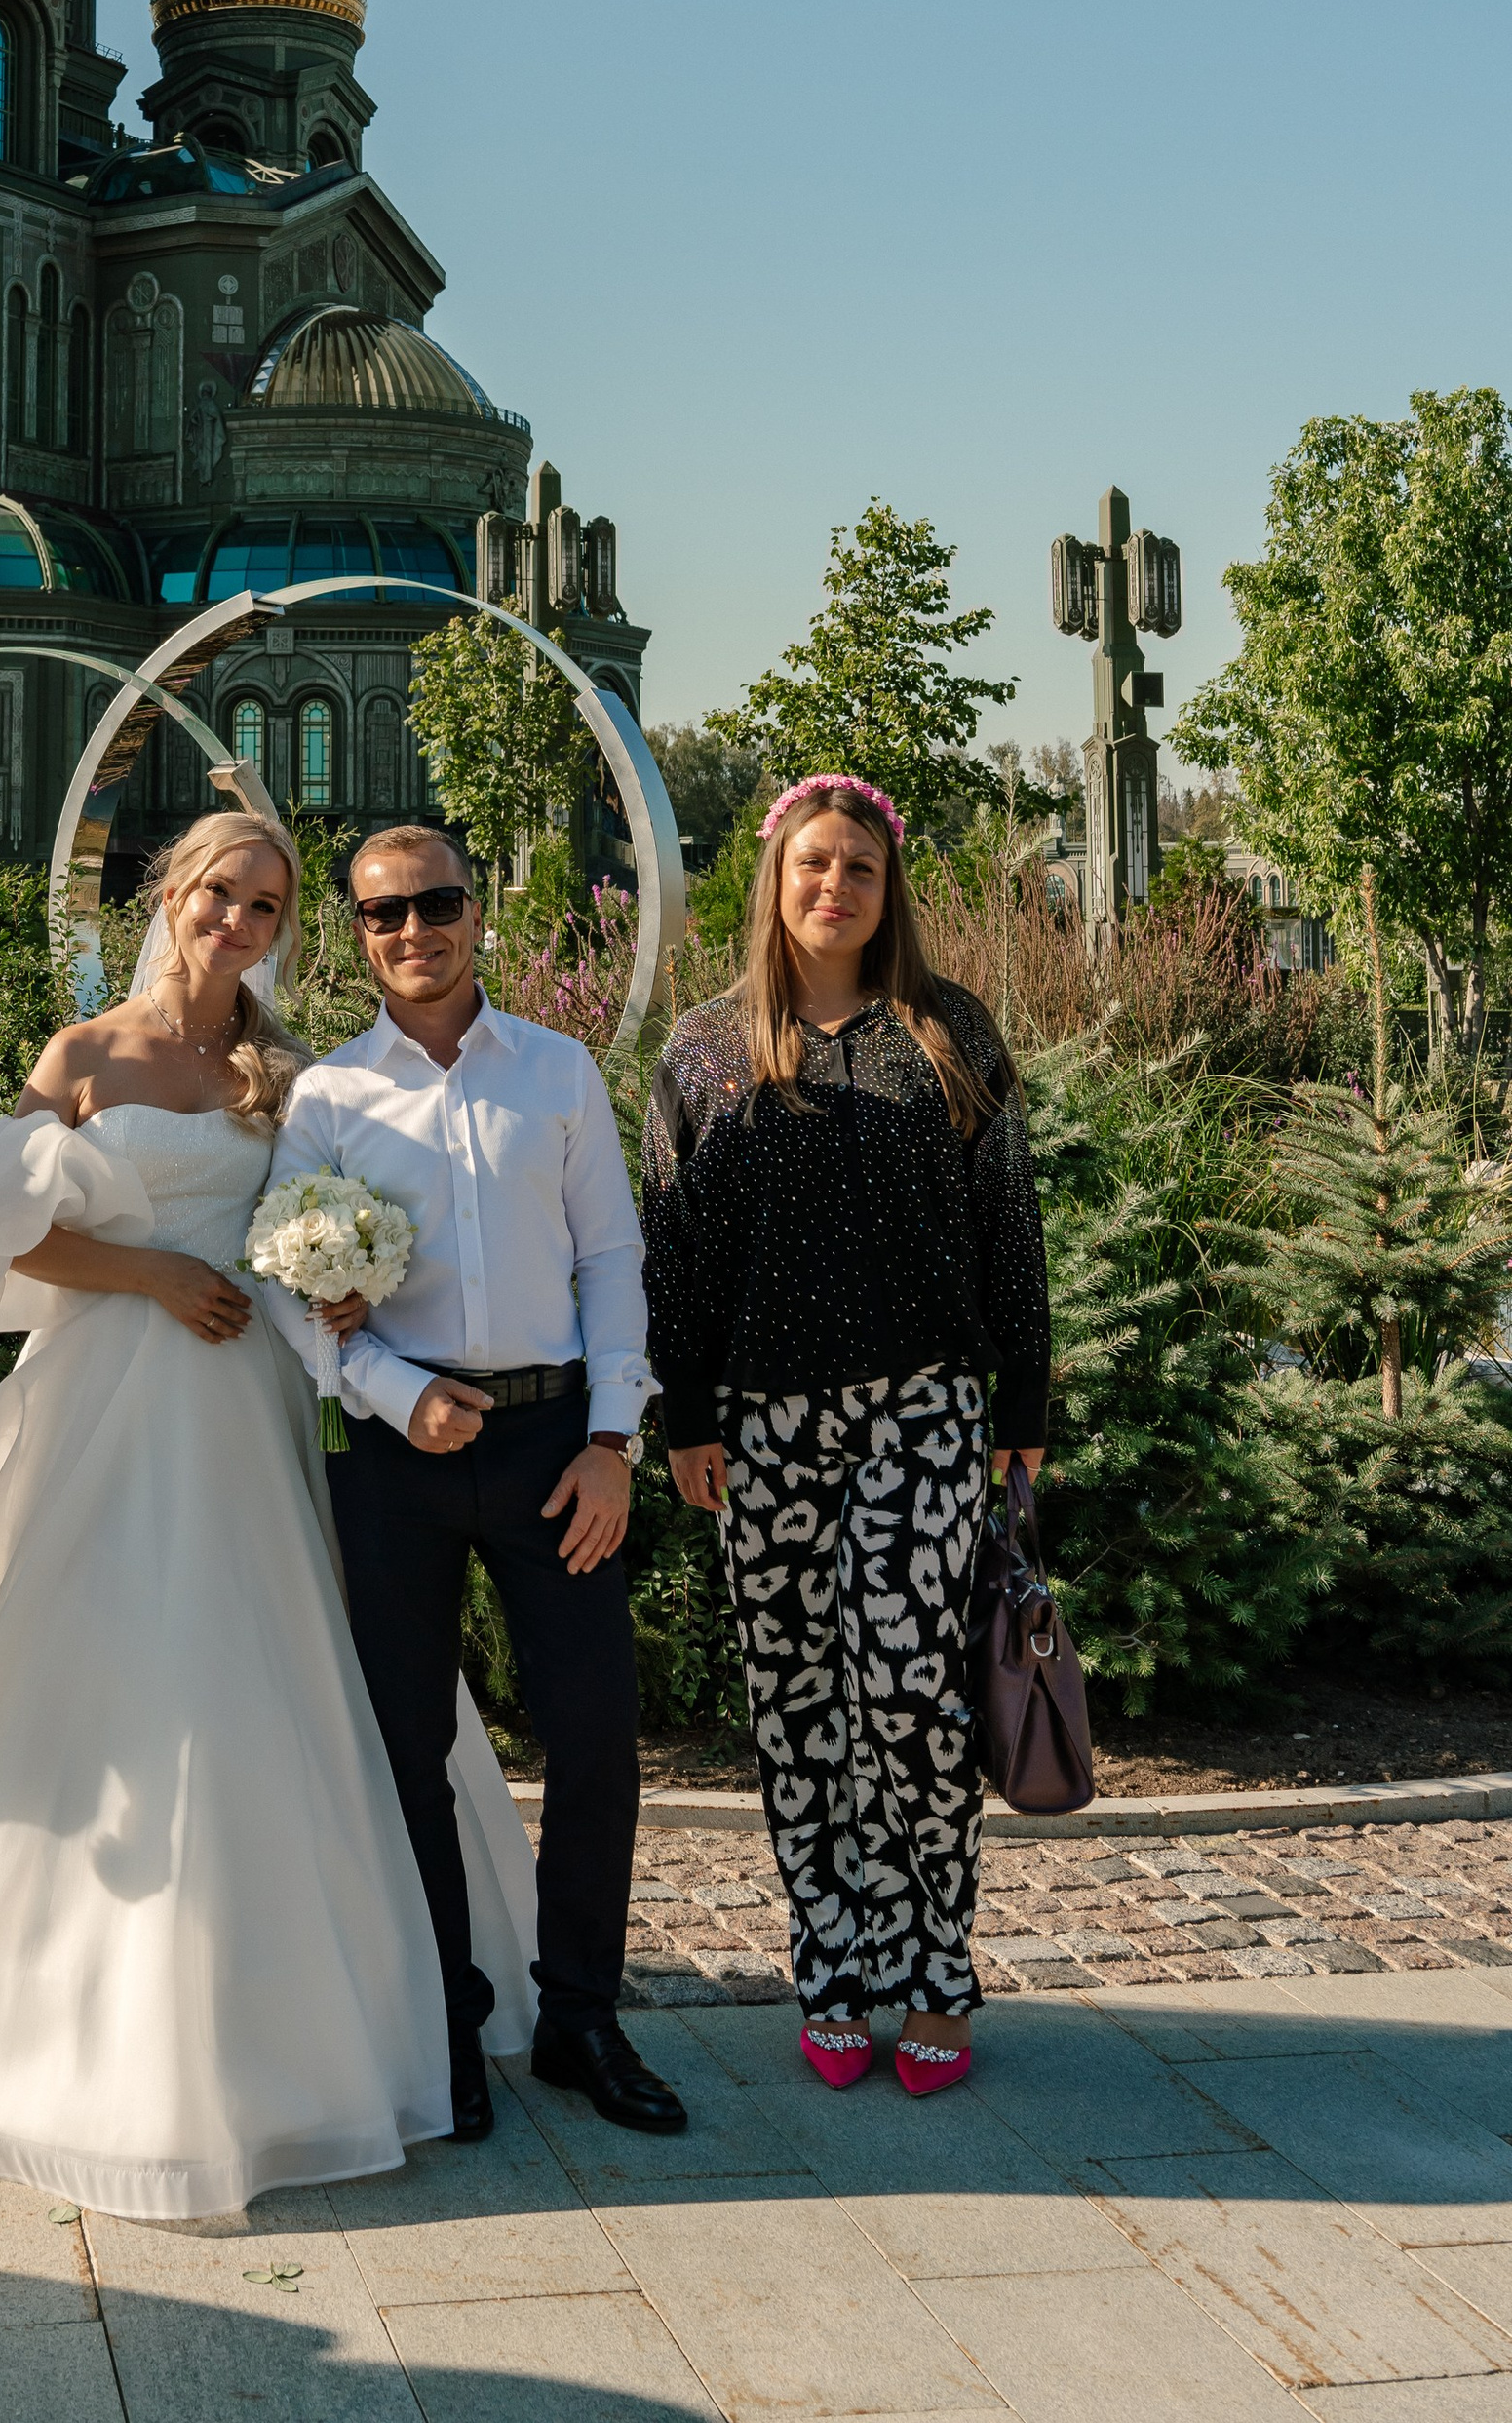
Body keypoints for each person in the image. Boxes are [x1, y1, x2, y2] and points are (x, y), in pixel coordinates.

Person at [0, 806, 539, 2218]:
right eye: (219, 893)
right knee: (95, 1680)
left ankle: (334, 2018)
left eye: (266, 906)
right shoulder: (82, 1056)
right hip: (110, 1389)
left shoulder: (288, 1073)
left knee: (282, 1678)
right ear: (172, 893)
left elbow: (333, 1225)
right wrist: (148, 1275)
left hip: (255, 1397)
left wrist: (342, 1281)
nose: (238, 922)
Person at [642, 772, 1051, 2100]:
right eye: (813, 862)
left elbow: (1010, 1224)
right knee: (797, 1701)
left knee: (908, 1693)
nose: (835, 885)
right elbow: (673, 1251)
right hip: (762, 1423)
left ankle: (934, 1972)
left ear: (889, 889)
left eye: (860, 867)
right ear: (774, 878)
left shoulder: (948, 1032)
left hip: (923, 1407)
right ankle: (830, 1965)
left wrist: (1023, 1409)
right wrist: (684, 1413)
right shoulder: (707, 1049)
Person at [279, 820, 687, 2143]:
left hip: (554, 1449)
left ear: (477, 910)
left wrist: (613, 1440)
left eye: (437, 902)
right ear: (358, 935)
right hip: (395, 1454)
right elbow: (287, 1286)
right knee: (407, 1750)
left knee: (596, 1734)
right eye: (385, 912)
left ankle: (580, 2016)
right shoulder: (330, 1097)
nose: (415, 930)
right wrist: (392, 1388)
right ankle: (443, 2021)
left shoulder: (557, 1070)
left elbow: (612, 1257)